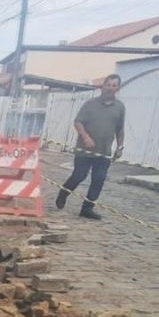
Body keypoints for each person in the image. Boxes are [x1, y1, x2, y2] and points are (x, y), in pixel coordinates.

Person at [56, 74, 125, 220]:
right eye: (108, 85)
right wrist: (85, 137)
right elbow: (78, 122)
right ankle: (63, 193)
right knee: (79, 175)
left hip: (104, 152)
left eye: (114, 85)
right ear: (103, 86)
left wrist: (120, 147)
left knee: (98, 179)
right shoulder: (90, 104)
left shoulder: (120, 107)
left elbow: (120, 129)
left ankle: (87, 209)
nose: (110, 88)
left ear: (118, 88)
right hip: (84, 150)